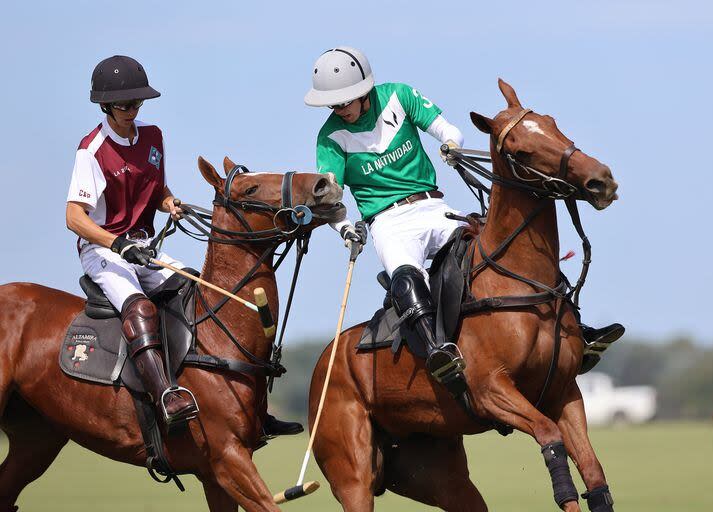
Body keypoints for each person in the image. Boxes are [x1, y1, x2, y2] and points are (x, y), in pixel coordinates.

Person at [304, 47, 624, 386]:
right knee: (405, 276)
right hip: (388, 222)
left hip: (433, 207)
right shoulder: (330, 138)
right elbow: (330, 197)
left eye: (345, 101)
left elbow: (446, 129)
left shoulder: (398, 96)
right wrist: (344, 229)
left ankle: (576, 327)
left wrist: (450, 145)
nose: (340, 109)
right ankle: (438, 351)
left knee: (501, 248)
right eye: (333, 104)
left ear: (365, 91)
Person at [66, 55, 302, 435]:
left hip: (143, 247)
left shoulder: (153, 136)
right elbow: (74, 217)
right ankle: (164, 395)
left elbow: (154, 189)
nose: (133, 110)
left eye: (138, 103)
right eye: (125, 104)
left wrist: (169, 202)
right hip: (104, 250)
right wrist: (118, 242)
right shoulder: (91, 150)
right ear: (105, 105)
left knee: (194, 292)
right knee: (139, 306)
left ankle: (251, 406)